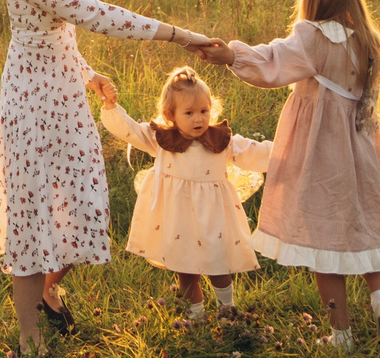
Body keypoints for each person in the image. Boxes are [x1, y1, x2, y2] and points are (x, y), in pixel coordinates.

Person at [0, 0, 220, 349]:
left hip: (64, 101)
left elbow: (52, 36)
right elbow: (91, 15)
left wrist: (88, 73)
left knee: (83, 206)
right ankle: (28, 334)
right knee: (34, 212)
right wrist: (176, 35)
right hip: (32, 107)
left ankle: (49, 290)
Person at [203, 0, 380, 348]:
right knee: (364, 223)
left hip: (323, 151)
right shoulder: (366, 40)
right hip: (360, 148)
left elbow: (273, 61)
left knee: (323, 238)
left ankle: (341, 335)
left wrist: (231, 54)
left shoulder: (312, 37)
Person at [95, 66, 272, 323]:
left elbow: (253, 152)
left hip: (212, 216)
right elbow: (129, 130)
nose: (198, 119)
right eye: (189, 113)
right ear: (171, 115)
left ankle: (228, 309)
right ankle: (195, 313)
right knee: (184, 265)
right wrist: (112, 107)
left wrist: (286, 150)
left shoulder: (220, 140)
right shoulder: (162, 139)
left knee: (217, 262)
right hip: (177, 217)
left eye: (204, 111)